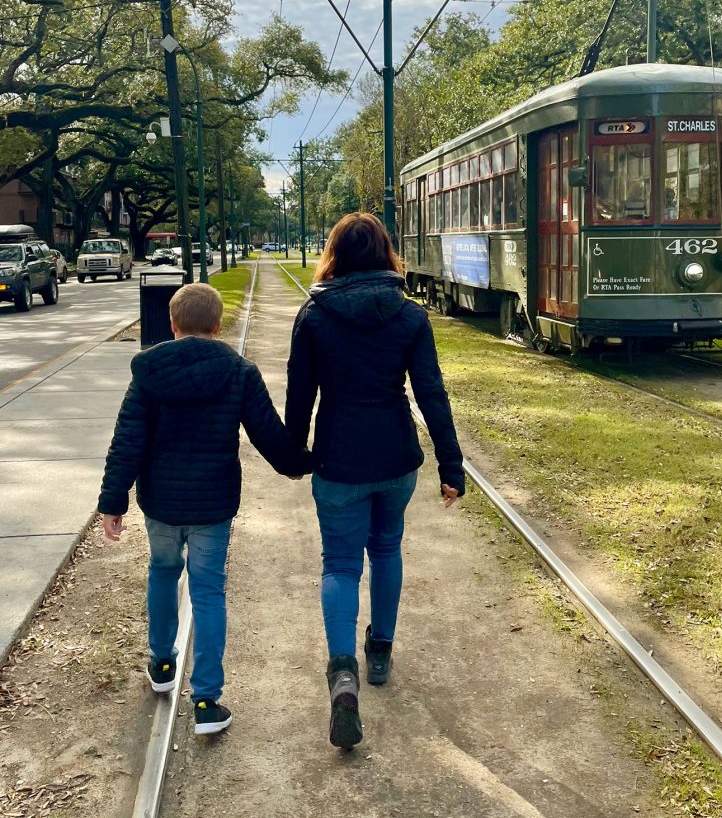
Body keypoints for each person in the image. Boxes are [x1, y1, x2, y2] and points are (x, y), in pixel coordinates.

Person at [285, 213, 466, 750]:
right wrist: (451, 467)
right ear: (386, 252)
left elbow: (300, 397)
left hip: (339, 459)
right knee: (386, 550)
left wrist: (296, 454)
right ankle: (380, 651)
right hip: (395, 459)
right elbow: (432, 394)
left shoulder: (313, 316)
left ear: (334, 254)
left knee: (340, 564)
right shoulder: (410, 316)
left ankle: (343, 677)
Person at [97, 282, 310, 736]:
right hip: (214, 503)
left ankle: (160, 661)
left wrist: (113, 502)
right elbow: (267, 432)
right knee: (209, 592)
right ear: (217, 325)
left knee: (162, 570)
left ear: (171, 324)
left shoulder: (148, 372)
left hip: (161, 502)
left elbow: (127, 441)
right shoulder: (238, 371)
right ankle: (208, 699)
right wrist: (297, 465)